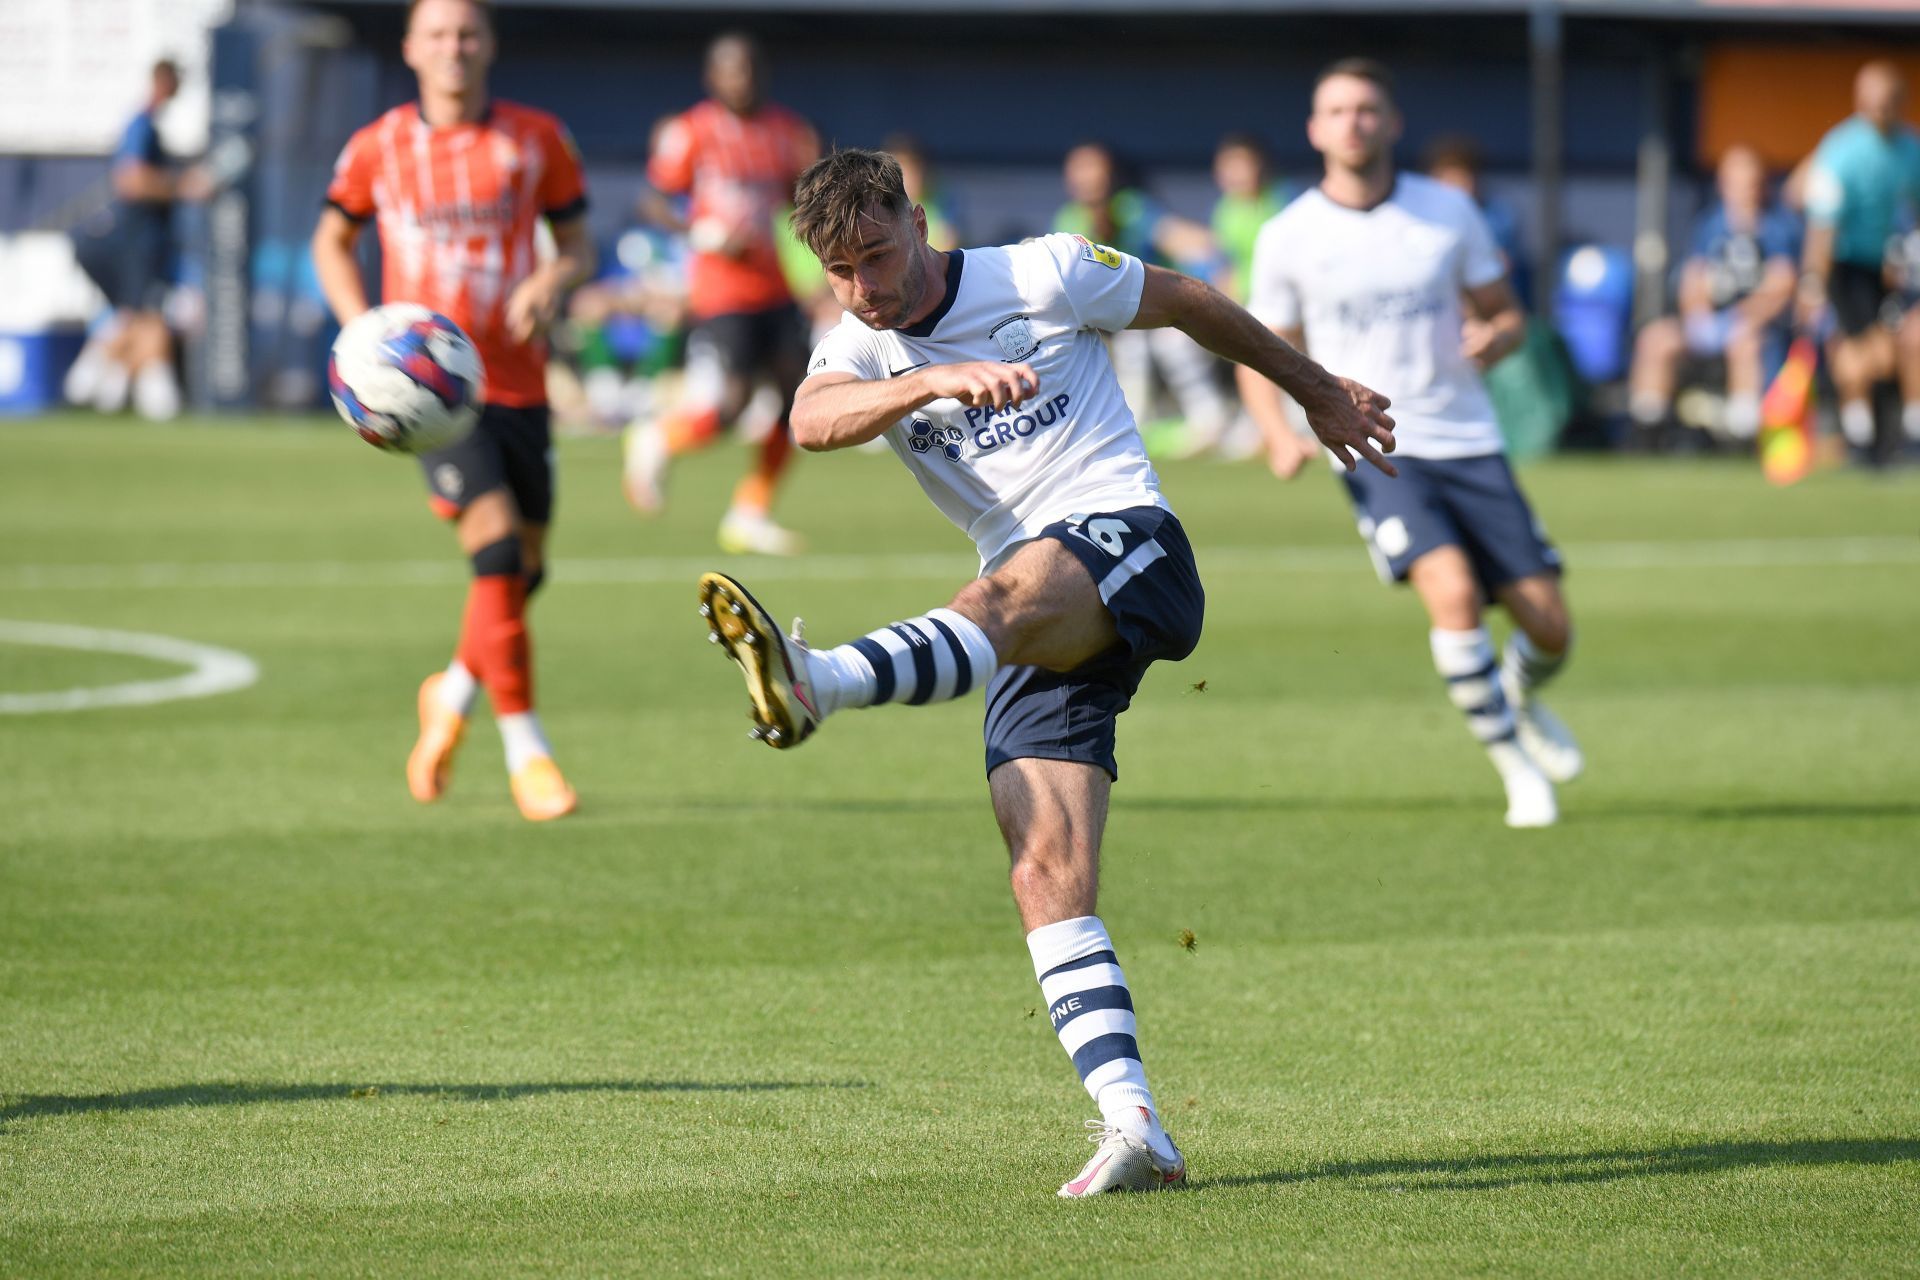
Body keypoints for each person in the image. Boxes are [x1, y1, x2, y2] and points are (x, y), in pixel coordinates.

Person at [695, 148, 1395, 1195]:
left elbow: (1194, 302)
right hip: (1026, 607)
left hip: (1127, 542)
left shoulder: (1042, 273)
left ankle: (821, 680)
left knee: (997, 602)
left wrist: (1316, 391)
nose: (866, 287)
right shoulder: (859, 344)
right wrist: (926, 379)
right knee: (1044, 867)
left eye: (879, 255)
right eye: (840, 270)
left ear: (919, 220)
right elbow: (808, 419)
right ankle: (1137, 1126)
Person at [1239, 58, 1580, 829]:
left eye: (1367, 109)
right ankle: (1516, 769)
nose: (1354, 122)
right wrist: (1275, 436)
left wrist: (1493, 338)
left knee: (1550, 626)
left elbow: (1507, 313)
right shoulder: (1290, 234)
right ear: (1315, 130)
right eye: (1337, 110)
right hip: (1374, 443)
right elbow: (1261, 351)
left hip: (1469, 438)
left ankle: (1518, 698)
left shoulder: (1447, 212)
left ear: (1391, 123)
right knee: (1453, 594)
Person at [311, 0, 594, 821]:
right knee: (499, 551)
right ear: (410, 48)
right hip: (431, 400)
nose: (453, 48)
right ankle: (528, 754)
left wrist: (551, 279)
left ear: (489, 45)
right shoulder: (379, 146)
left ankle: (453, 691)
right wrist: (358, 330)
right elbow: (331, 238)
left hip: (521, 384)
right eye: (437, 34)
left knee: (524, 570)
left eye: (467, 33)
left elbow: (575, 244)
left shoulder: (536, 138)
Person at [622, 32, 818, 554]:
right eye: (732, 71)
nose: (743, 80)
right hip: (721, 290)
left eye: (751, 70)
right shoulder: (692, 132)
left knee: (799, 399)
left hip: (774, 285)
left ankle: (749, 513)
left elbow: (808, 201)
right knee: (729, 406)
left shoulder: (787, 133)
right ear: (713, 78)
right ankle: (659, 438)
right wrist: (701, 231)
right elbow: (653, 201)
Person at [1054, 142, 1235, 457]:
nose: (1088, 177)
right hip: (1101, 327)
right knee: (1126, 351)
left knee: (1168, 342)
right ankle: (1133, 423)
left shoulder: (1130, 208)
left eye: (1095, 167)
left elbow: (1181, 238)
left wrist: (1213, 262)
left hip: (1155, 316)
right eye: (1079, 168)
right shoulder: (1068, 221)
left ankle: (1209, 418)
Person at [64, 59, 210, 421]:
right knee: (144, 317)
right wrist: (182, 186)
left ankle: (109, 386)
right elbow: (130, 181)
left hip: (144, 241)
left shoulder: (149, 126)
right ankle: (95, 383)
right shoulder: (141, 125)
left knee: (140, 317)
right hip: (133, 240)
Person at [1628, 146, 1800, 448]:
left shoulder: (1777, 228)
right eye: (1734, 182)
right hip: (1711, 322)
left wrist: (1744, 314)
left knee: (1744, 342)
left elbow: (1781, 287)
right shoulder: (1709, 226)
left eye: (1750, 183)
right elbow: (1692, 282)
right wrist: (1701, 314)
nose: (1743, 191)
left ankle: (1741, 435)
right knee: (1656, 339)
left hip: (1755, 328)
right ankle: (1648, 427)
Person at [1797, 60, 1920, 464]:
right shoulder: (1842, 150)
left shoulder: (1909, 149)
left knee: (1885, 354)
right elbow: (1822, 226)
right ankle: (1859, 436)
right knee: (1855, 354)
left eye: (1885, 103)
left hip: (1882, 268)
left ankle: (1878, 436)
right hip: (1843, 267)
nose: (1877, 111)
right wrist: (1814, 281)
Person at [1210, 133, 1289, 306]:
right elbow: (1227, 262)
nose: (1235, 174)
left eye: (1242, 165)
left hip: (1279, 298)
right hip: (1244, 303)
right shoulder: (1224, 210)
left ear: (1261, 166)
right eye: (1228, 166)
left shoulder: (1283, 201)